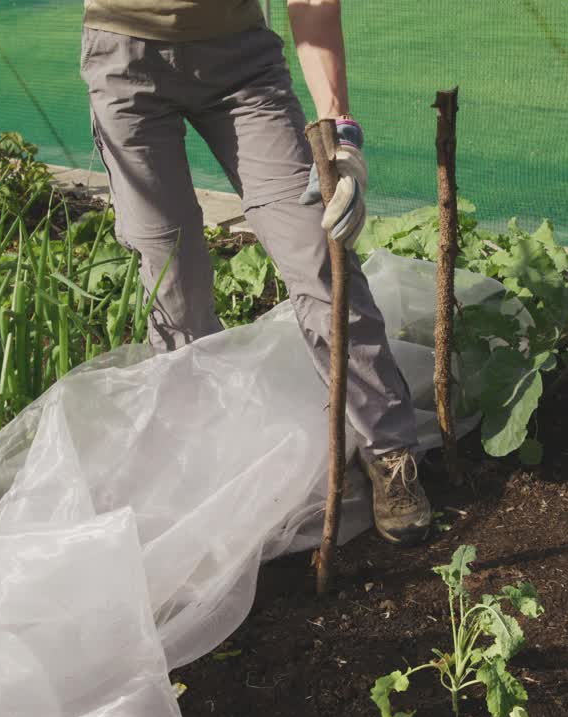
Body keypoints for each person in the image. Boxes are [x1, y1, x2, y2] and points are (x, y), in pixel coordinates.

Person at [80, 0, 431, 544]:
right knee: (173, 284)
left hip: (241, 65)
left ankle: (389, 452)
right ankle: (205, 462)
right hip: (127, 62)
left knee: (318, 252)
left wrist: (341, 131)